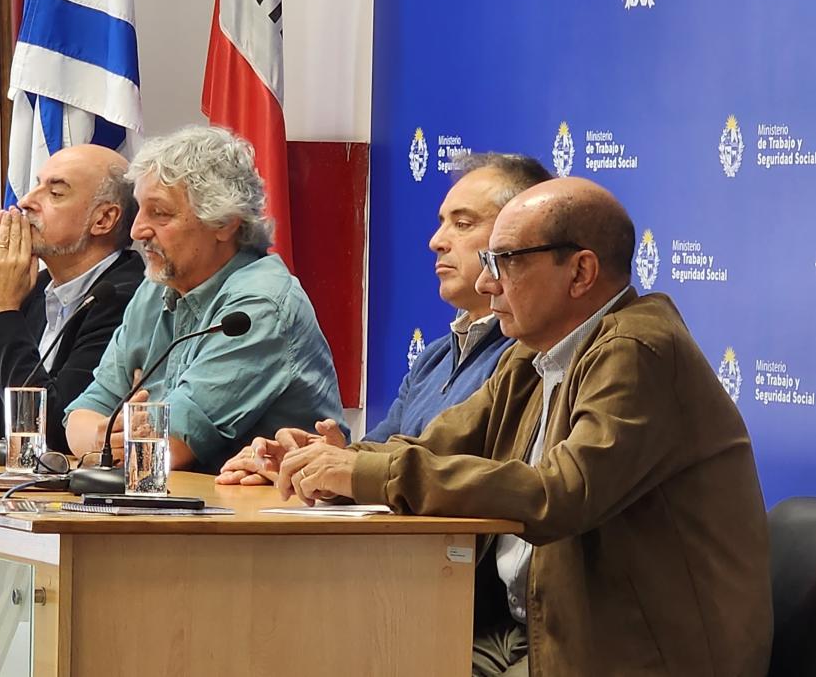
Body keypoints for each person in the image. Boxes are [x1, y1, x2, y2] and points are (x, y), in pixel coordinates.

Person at [269, 177, 772, 676]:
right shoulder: (532, 355)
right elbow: (433, 446)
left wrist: (361, 474)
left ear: (580, 272)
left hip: (636, 654)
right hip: (528, 629)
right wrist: (323, 462)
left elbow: (558, 493)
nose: (488, 285)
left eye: (506, 262)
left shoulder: (638, 349)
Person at [216, 153, 553, 486]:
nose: (436, 241)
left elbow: (463, 474)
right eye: (441, 223)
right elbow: (380, 453)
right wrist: (305, 461)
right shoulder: (434, 358)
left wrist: (350, 467)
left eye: (463, 224)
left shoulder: (533, 354)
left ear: (517, 237)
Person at [64, 125, 345, 473]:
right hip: (187, 510)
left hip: (267, 518)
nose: (137, 231)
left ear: (224, 222)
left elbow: (168, 448)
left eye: (160, 213)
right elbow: (79, 417)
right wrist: (103, 438)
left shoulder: (260, 305)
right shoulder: (156, 288)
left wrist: (118, 434)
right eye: (139, 210)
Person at [0, 145, 145, 453]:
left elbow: (52, 433)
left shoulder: (126, 297)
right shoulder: (28, 286)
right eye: (37, 184)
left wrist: (1, 311)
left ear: (104, 219)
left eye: (55, 193)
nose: (25, 202)